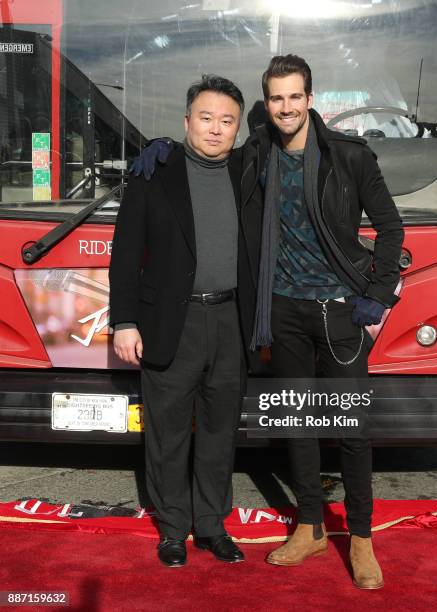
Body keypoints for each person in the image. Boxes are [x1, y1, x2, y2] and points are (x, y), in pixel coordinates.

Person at [131, 55, 404, 589]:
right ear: (268, 103)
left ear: (310, 98)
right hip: (282, 310)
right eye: (276, 98)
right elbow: (203, 151)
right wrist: (160, 148)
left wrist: (377, 295)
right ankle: (309, 527)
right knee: (299, 426)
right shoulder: (255, 154)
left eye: (294, 97)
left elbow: (391, 228)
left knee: (350, 428)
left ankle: (363, 538)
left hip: (342, 312)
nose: (286, 107)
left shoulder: (349, 156)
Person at [109, 75, 256, 568]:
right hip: (171, 323)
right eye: (207, 117)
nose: (216, 129)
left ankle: (212, 527)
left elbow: (297, 134)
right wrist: (125, 321)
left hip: (232, 322)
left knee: (219, 434)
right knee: (167, 434)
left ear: (238, 129)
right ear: (187, 120)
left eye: (227, 121)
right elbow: (125, 254)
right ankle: (172, 529)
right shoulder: (154, 172)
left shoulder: (249, 171)